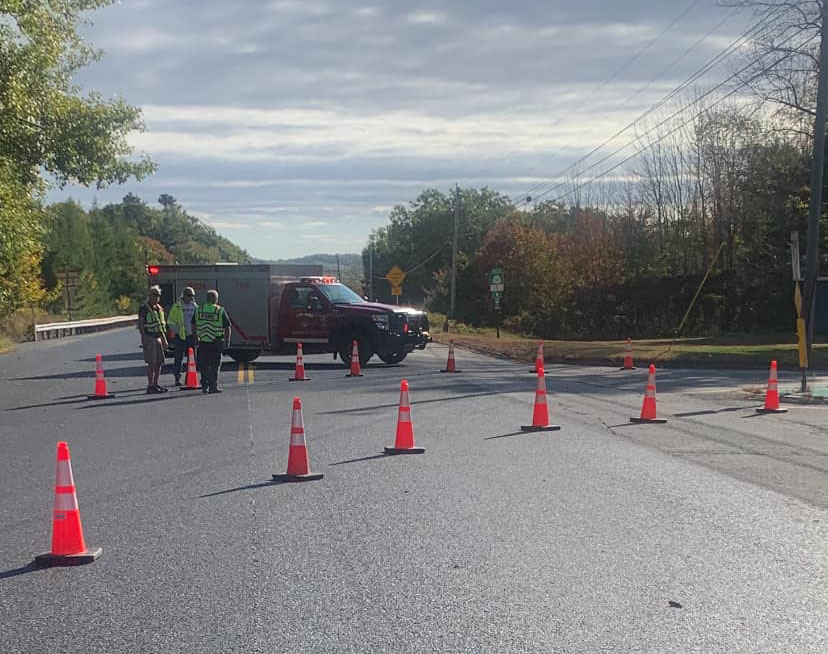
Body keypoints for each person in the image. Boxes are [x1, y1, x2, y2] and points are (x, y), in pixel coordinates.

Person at [193, 289, 231, 394]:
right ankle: (213, 386)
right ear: (215, 299)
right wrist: (227, 340)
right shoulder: (220, 311)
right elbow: (227, 327)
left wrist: (196, 338)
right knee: (214, 365)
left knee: (204, 365)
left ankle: (204, 385)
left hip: (203, 342)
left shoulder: (198, 310)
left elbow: (193, 324)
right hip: (216, 342)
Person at [138, 285, 169, 394]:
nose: (157, 297)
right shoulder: (144, 308)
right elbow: (141, 325)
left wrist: (164, 340)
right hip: (150, 337)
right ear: (150, 295)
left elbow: (161, 325)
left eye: (158, 295)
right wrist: (144, 339)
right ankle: (150, 385)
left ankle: (156, 384)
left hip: (158, 337)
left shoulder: (159, 308)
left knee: (159, 362)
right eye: (155, 295)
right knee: (152, 363)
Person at [167, 287, 198, 386]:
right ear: (184, 295)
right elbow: (171, 322)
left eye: (192, 296)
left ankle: (189, 378)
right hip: (180, 337)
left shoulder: (195, 306)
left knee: (192, 359)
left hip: (191, 336)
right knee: (178, 358)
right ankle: (177, 378)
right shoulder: (177, 306)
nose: (191, 298)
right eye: (189, 295)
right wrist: (178, 331)